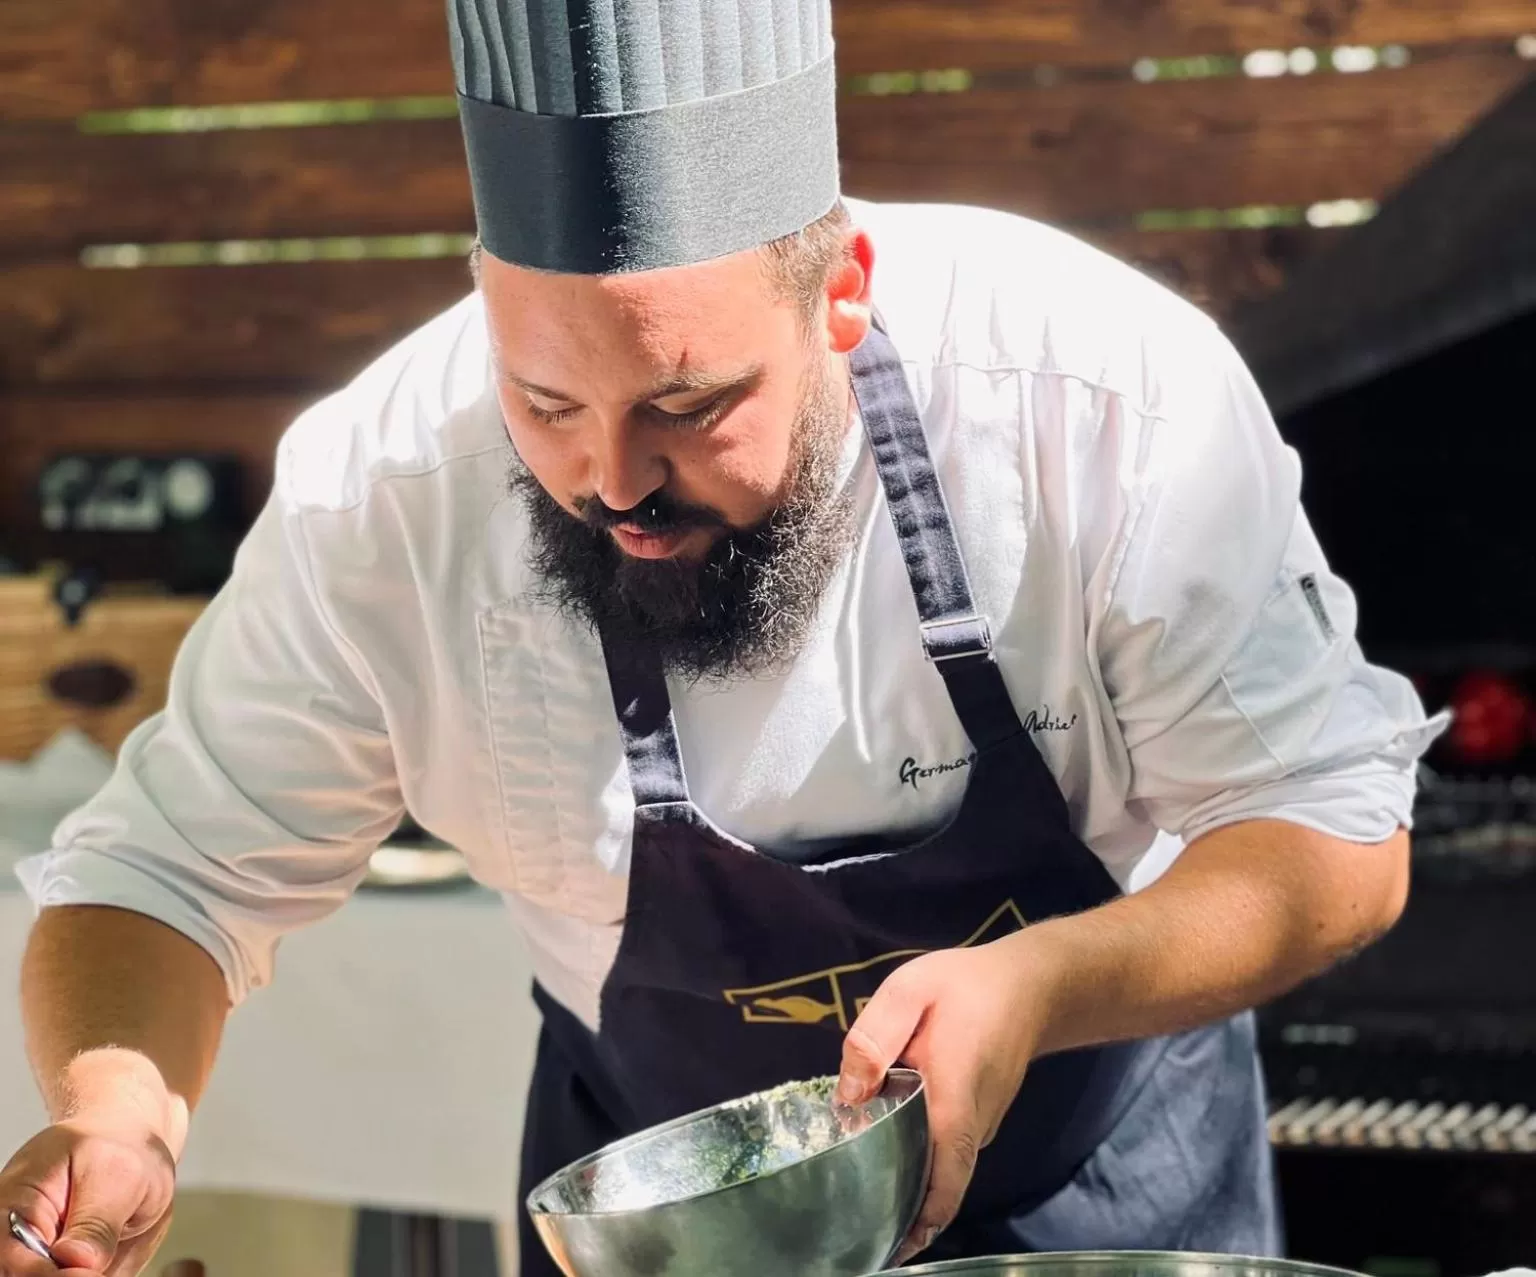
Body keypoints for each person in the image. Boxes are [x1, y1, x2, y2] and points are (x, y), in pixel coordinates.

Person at [3, 1, 1444, 1273]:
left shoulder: (1094, 399)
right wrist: (119, 1114)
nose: (615, 483)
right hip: (665, 1228)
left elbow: (1330, 830)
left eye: (687, 407)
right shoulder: (383, 493)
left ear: (843, 290)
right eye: (547, 405)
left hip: (1099, 1182)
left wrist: (1044, 981)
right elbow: (165, 875)